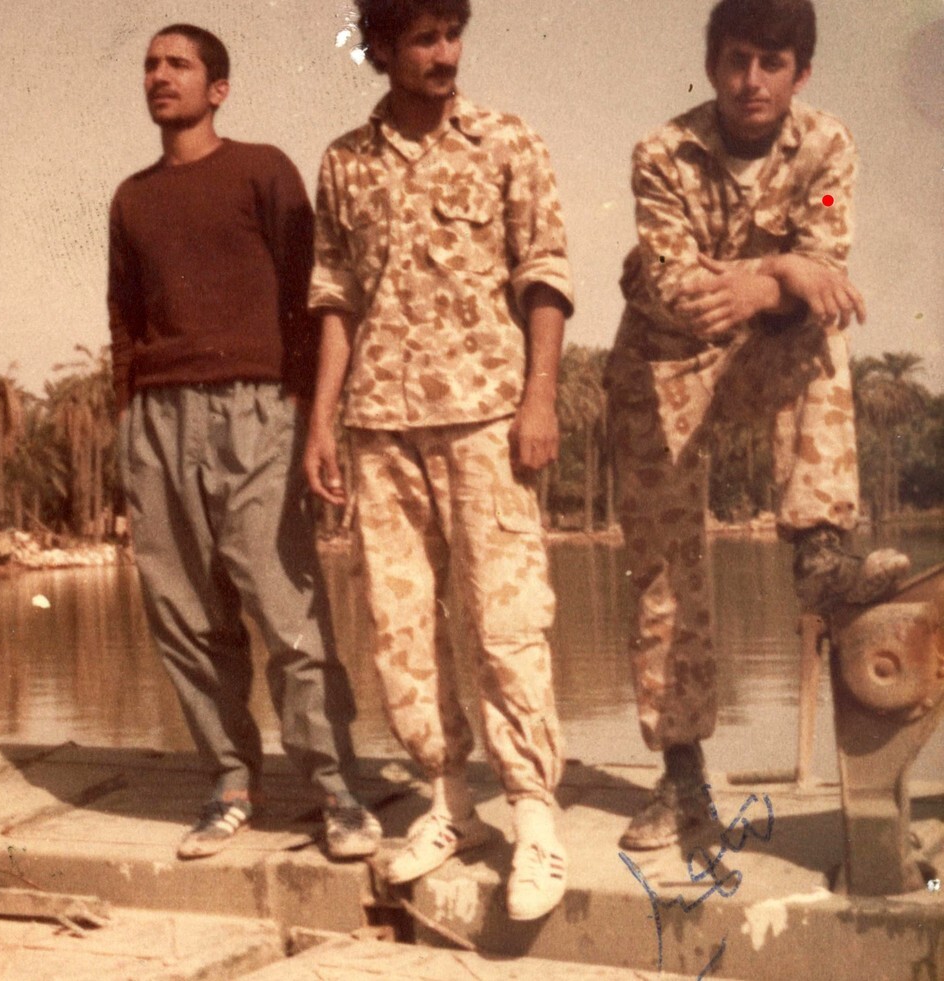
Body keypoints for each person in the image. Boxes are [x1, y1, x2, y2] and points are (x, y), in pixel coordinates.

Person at [605, 0, 910, 851]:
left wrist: (774, 276)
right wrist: (781, 268)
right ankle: (682, 781)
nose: (751, 81)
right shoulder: (662, 153)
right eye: (736, 60)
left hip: (767, 347)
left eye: (772, 64)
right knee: (664, 572)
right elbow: (679, 288)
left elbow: (825, 264)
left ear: (800, 73)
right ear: (712, 64)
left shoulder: (826, 148)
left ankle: (819, 549)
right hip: (662, 362)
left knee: (825, 328)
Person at [304, 0, 572, 920]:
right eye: (424, 39)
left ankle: (534, 814)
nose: (445, 54)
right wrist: (322, 422)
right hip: (380, 423)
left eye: (453, 34)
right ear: (380, 49)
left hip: (487, 416)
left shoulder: (507, 142)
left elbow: (545, 275)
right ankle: (450, 802)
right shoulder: (344, 162)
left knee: (505, 619)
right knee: (401, 624)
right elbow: (336, 298)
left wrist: (540, 397)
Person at [108, 23, 381, 861]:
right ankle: (230, 783)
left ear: (217, 89)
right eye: (150, 64)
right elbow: (124, 319)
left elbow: (311, 293)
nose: (160, 75)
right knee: (184, 613)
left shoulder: (263, 170)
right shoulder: (131, 197)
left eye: (178, 64)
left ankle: (336, 791)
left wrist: (303, 411)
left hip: (257, 409)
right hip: (157, 418)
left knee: (283, 602)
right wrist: (128, 423)